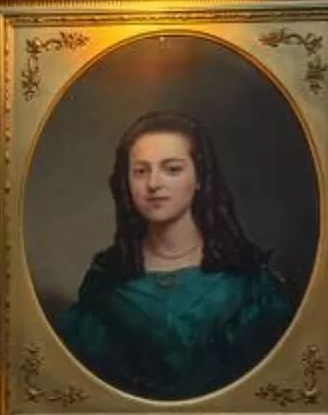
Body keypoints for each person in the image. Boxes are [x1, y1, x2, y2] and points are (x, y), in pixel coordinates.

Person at [50, 110, 296, 400]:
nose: (153, 184)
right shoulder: (107, 284)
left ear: (201, 178)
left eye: (172, 169)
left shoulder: (249, 284)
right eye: (141, 171)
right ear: (126, 182)